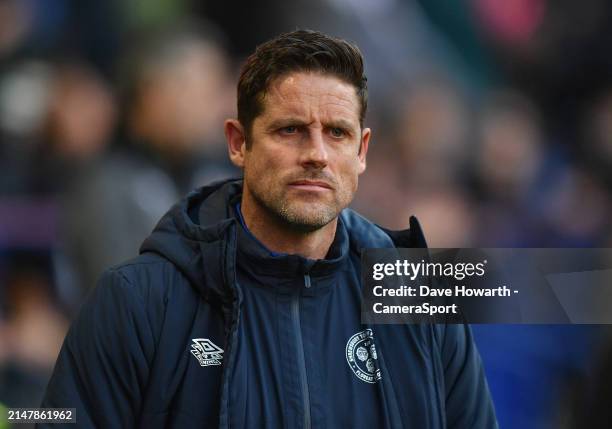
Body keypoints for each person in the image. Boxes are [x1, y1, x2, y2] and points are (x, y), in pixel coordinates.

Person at [40, 30, 498, 428]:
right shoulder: (137, 300)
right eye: (291, 130)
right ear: (239, 144)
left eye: (337, 133)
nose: (316, 153)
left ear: (362, 150)